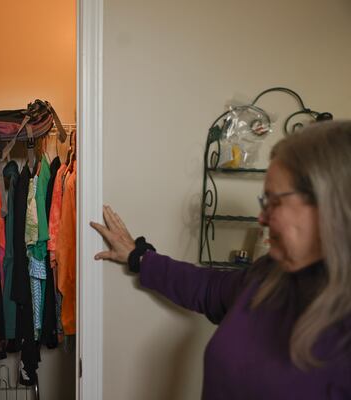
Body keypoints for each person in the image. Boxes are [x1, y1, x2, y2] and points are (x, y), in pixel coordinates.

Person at [90, 120, 351, 399]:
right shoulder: (270, 275)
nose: (261, 218)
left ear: (331, 205)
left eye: (275, 202)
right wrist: (137, 256)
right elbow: (208, 288)